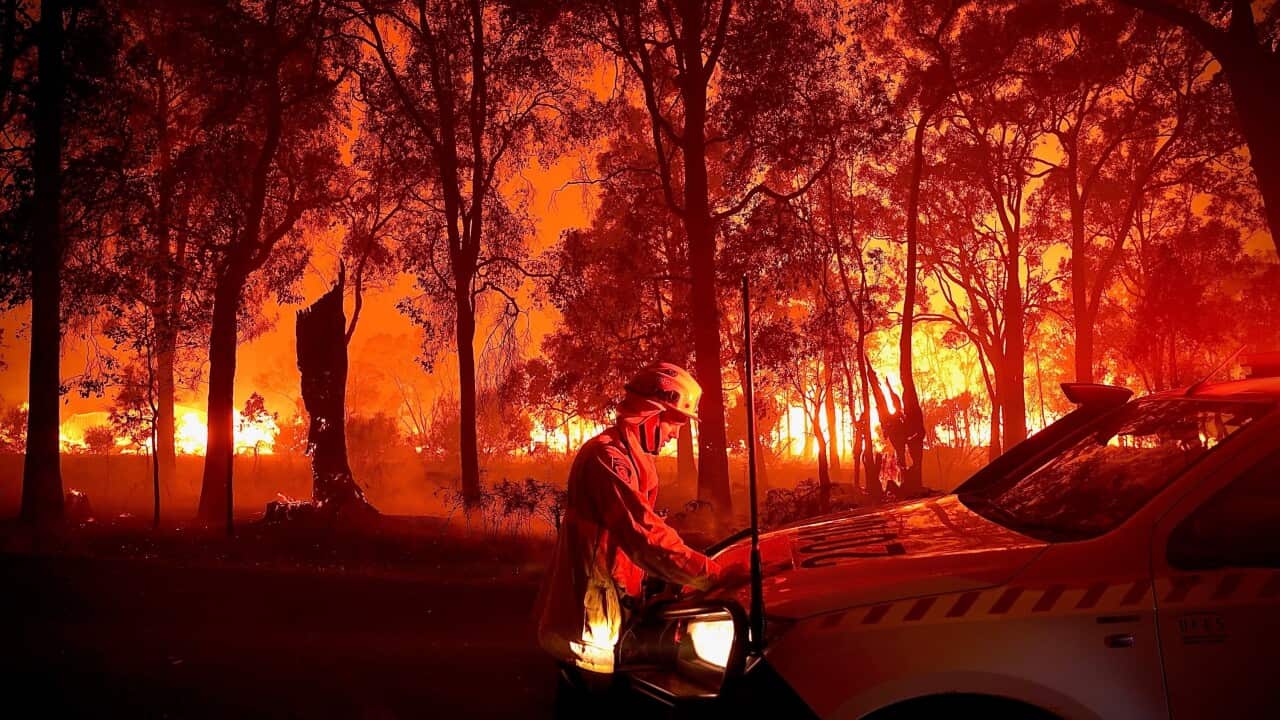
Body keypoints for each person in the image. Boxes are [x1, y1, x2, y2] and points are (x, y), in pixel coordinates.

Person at [534, 362, 727, 690]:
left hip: (601, 619)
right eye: (675, 422)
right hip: (587, 628)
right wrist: (712, 574)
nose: (675, 433)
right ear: (651, 412)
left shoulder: (628, 458)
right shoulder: (607, 459)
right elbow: (645, 539)